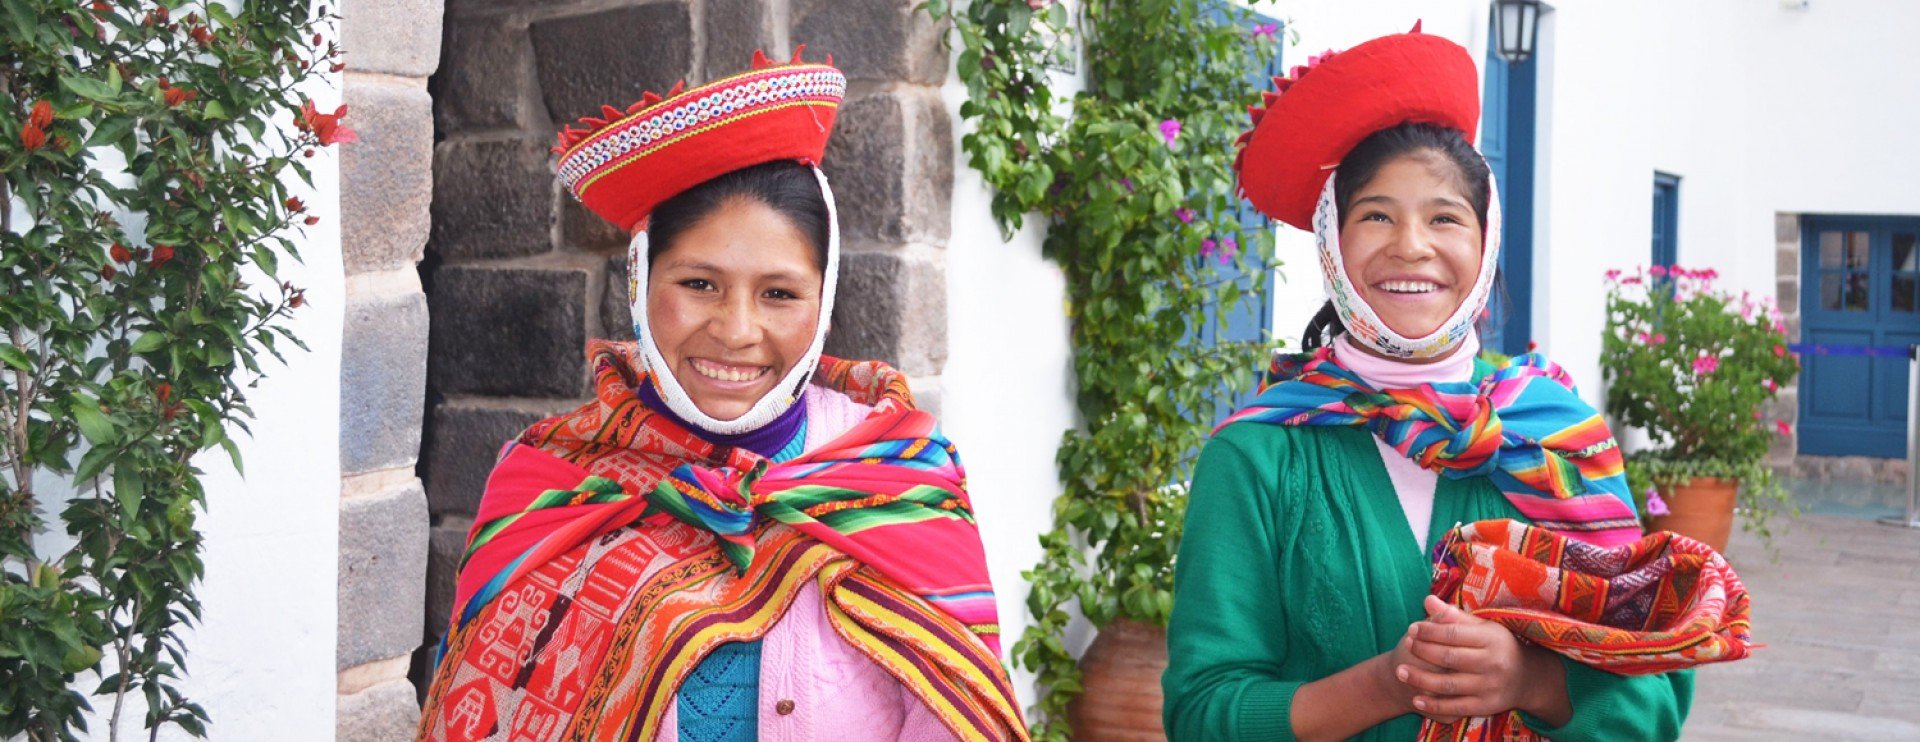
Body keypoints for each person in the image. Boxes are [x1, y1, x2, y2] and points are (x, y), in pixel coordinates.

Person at [417, 49, 1025, 742]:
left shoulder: (899, 480)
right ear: (641, 283)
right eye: (699, 284)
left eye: (779, 294)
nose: (737, 331)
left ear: (823, 302)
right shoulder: (552, 481)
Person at [1162, 26, 1694, 741]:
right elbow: (1202, 714)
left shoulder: (1557, 435)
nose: (1411, 245)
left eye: (1445, 217)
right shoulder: (1260, 454)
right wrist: (1386, 684)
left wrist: (1530, 681)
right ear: (1333, 246)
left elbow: (1651, 698)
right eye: (1375, 214)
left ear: (1486, 241)